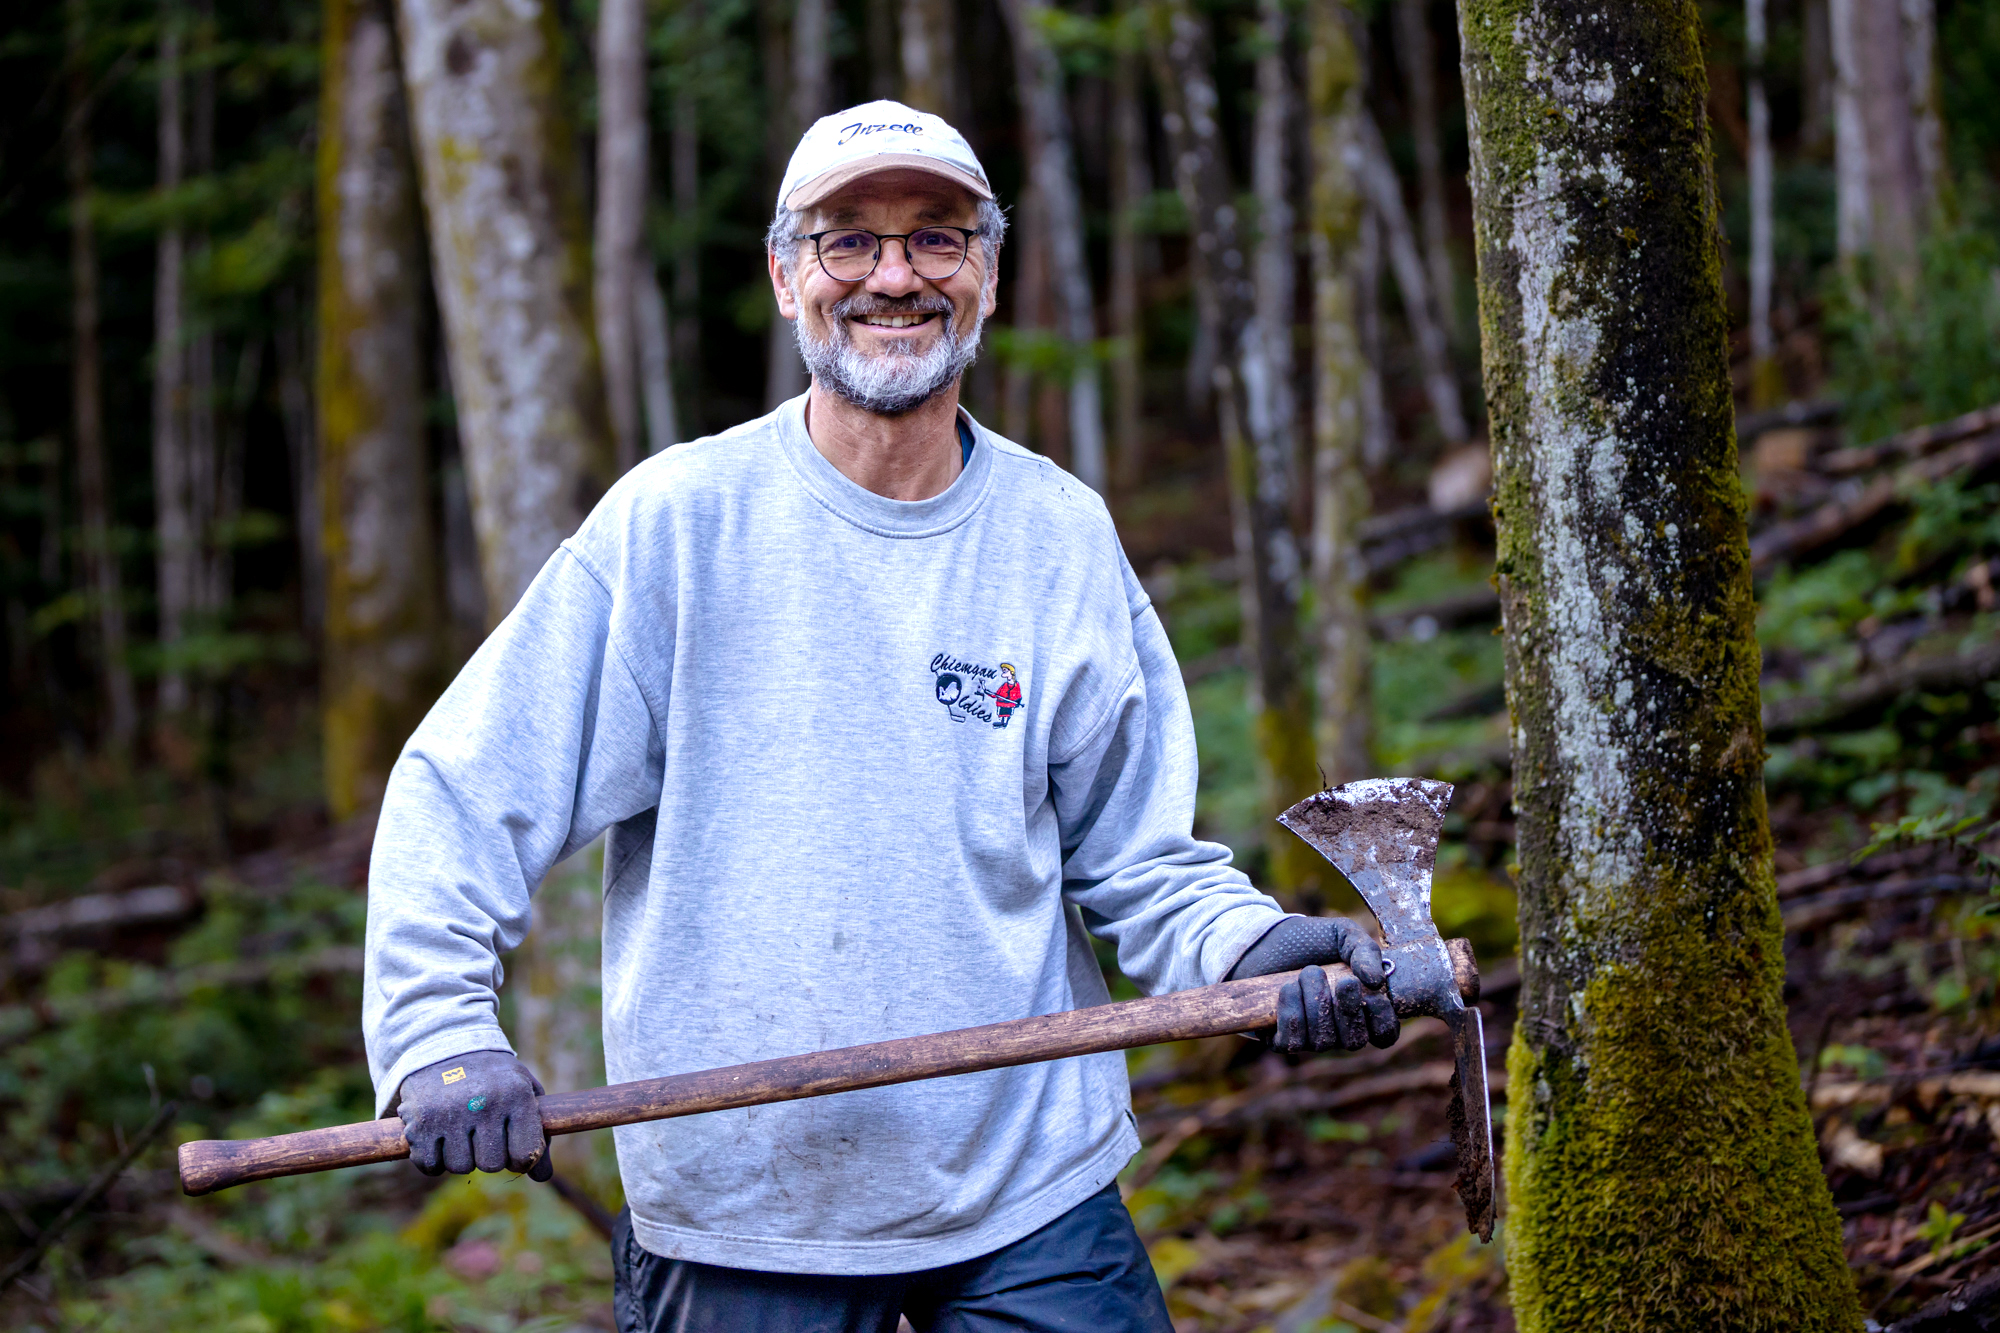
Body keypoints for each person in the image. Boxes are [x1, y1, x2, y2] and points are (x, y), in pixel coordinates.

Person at [362, 100, 1397, 1333]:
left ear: (988, 276)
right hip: (743, 1195)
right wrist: (438, 1033)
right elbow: (464, 790)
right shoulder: (676, 528)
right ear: (787, 274)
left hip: (1029, 1184)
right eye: (847, 240)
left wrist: (1244, 948)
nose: (893, 275)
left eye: (936, 238)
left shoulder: (1055, 534)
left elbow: (1136, 856)